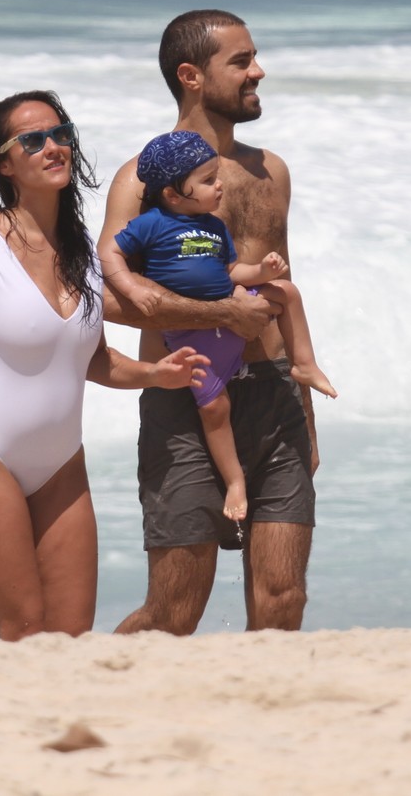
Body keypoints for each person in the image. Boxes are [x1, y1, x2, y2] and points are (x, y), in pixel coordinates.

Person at [0, 90, 209, 642]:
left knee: (71, 634)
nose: (54, 147)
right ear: (3, 163)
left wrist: (156, 375)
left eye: (61, 134)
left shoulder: (86, 255)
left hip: (62, 462)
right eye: (33, 140)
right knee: (23, 626)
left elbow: (90, 360)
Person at [100, 9, 322, 635]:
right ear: (192, 76)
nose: (259, 71)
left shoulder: (269, 171)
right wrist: (221, 311)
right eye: (242, 61)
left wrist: (304, 403)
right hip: (185, 394)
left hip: (275, 394)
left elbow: (278, 290)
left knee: (282, 600)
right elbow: (110, 297)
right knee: (174, 610)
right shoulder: (143, 179)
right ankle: (96, 688)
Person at [100, 128, 336, 527]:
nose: (219, 185)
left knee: (287, 292)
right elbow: (108, 254)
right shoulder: (153, 224)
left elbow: (231, 270)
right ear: (174, 194)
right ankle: (235, 482)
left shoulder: (212, 226)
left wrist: (261, 271)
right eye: (208, 180)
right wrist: (127, 285)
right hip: (194, 343)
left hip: (243, 342)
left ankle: (304, 364)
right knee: (216, 408)